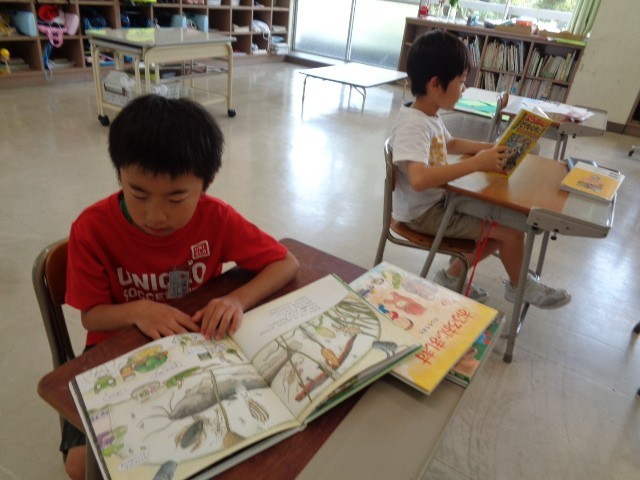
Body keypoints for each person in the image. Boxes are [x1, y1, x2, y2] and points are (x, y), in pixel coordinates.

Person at [61, 95, 299, 479]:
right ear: (119, 174)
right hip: (113, 352)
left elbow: (286, 263)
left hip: (194, 351)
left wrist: (236, 300)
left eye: (176, 198)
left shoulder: (216, 218)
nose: (156, 215)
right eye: (138, 194)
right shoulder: (92, 229)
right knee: (80, 467)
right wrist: (138, 310)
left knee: (236, 446)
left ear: (206, 184)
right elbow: (91, 316)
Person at [389, 30, 570, 308]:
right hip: (423, 215)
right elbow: (419, 179)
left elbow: (451, 143)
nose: (464, 89)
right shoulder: (414, 125)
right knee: (510, 232)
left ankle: (452, 277)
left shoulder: (428, 115)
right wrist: (476, 163)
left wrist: (491, 147)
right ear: (435, 84)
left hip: (437, 202)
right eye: (461, 81)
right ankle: (519, 287)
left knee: (508, 225)